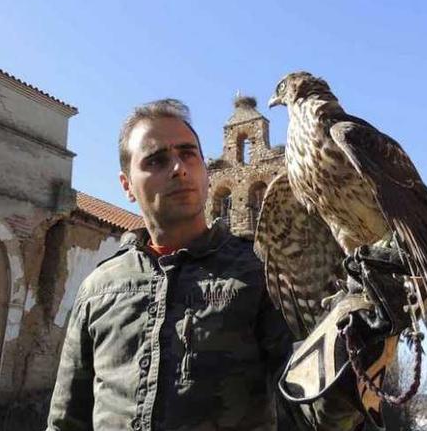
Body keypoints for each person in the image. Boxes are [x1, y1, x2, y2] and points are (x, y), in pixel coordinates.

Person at [46, 99, 364, 431]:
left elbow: (315, 408)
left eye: (188, 154)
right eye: (156, 160)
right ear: (126, 185)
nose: (178, 168)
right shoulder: (98, 289)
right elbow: (66, 419)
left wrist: (360, 341)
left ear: (207, 175)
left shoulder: (263, 274)